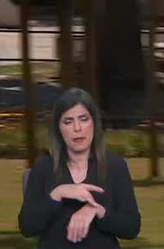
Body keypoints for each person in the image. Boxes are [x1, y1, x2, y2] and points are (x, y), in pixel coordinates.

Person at [18, 88, 141, 247]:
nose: (77, 128)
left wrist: (97, 211)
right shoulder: (43, 167)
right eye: (68, 121)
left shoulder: (115, 166)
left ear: (94, 123)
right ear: (59, 129)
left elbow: (131, 228)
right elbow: (28, 227)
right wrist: (57, 194)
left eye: (83, 119)